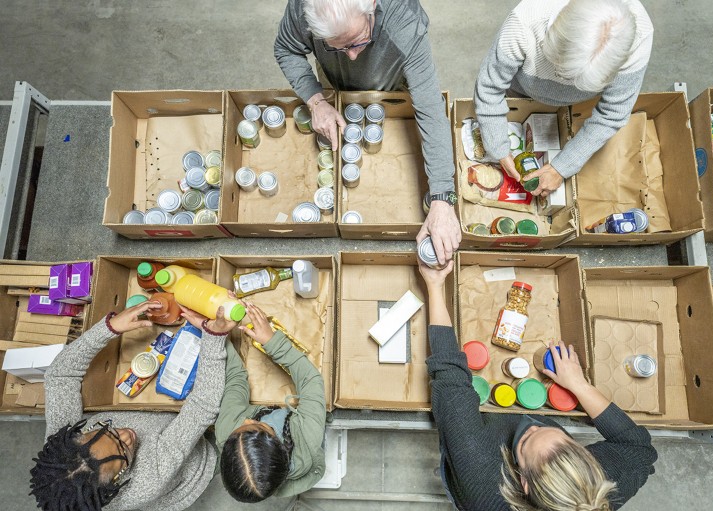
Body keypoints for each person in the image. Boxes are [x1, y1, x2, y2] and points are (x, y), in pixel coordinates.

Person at [421, 262, 657, 511]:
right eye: (563, 439)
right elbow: (639, 447)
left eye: (526, 442)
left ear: (523, 482)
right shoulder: (599, 493)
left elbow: (449, 371)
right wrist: (578, 385)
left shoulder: (479, 472)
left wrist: (435, 285)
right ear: (589, 457)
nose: (531, 425)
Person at [275, 0, 461, 265]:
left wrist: (443, 199)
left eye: (359, 41)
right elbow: (286, 49)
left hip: (391, 78)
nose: (352, 55)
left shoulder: (404, 21)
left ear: (372, 6)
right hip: (333, 80)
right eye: (336, 46)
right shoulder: (303, 8)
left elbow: (430, 108)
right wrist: (316, 101)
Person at [29, 300, 238, 511]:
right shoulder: (148, 480)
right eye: (123, 451)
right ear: (116, 481)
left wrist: (109, 329)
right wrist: (213, 338)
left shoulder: (62, 445)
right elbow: (202, 407)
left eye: (105, 429)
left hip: (157, 417)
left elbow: (59, 376)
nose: (126, 434)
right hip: (193, 464)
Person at [474, 0, 654, 198]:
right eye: (565, 75)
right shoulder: (525, 22)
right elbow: (490, 87)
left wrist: (562, 167)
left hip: (574, 105)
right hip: (517, 91)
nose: (569, 85)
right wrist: (498, 147)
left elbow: (612, 114)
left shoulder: (639, 38)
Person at [215, 303, 326, 502]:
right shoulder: (307, 441)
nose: (247, 420)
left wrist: (216, 335)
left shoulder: (225, 432)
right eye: (258, 426)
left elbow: (235, 380)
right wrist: (273, 341)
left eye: (239, 429)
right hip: (306, 455)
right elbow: (311, 381)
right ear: (278, 442)